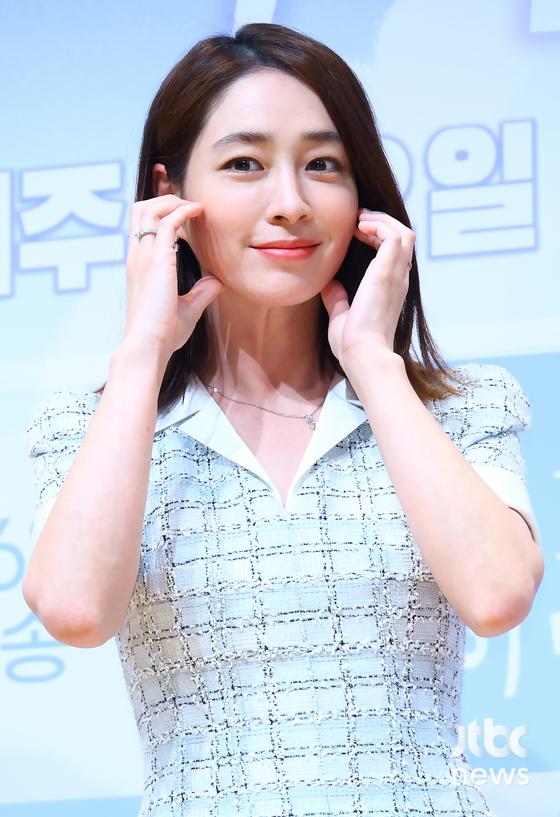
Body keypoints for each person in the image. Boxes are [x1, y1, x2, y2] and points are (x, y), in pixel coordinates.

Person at [23, 22, 543, 817]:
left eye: (323, 165)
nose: (292, 204)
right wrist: (142, 353)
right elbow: (76, 610)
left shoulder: (458, 408)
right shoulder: (97, 427)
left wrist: (373, 363)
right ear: (169, 192)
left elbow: (498, 594)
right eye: (245, 164)